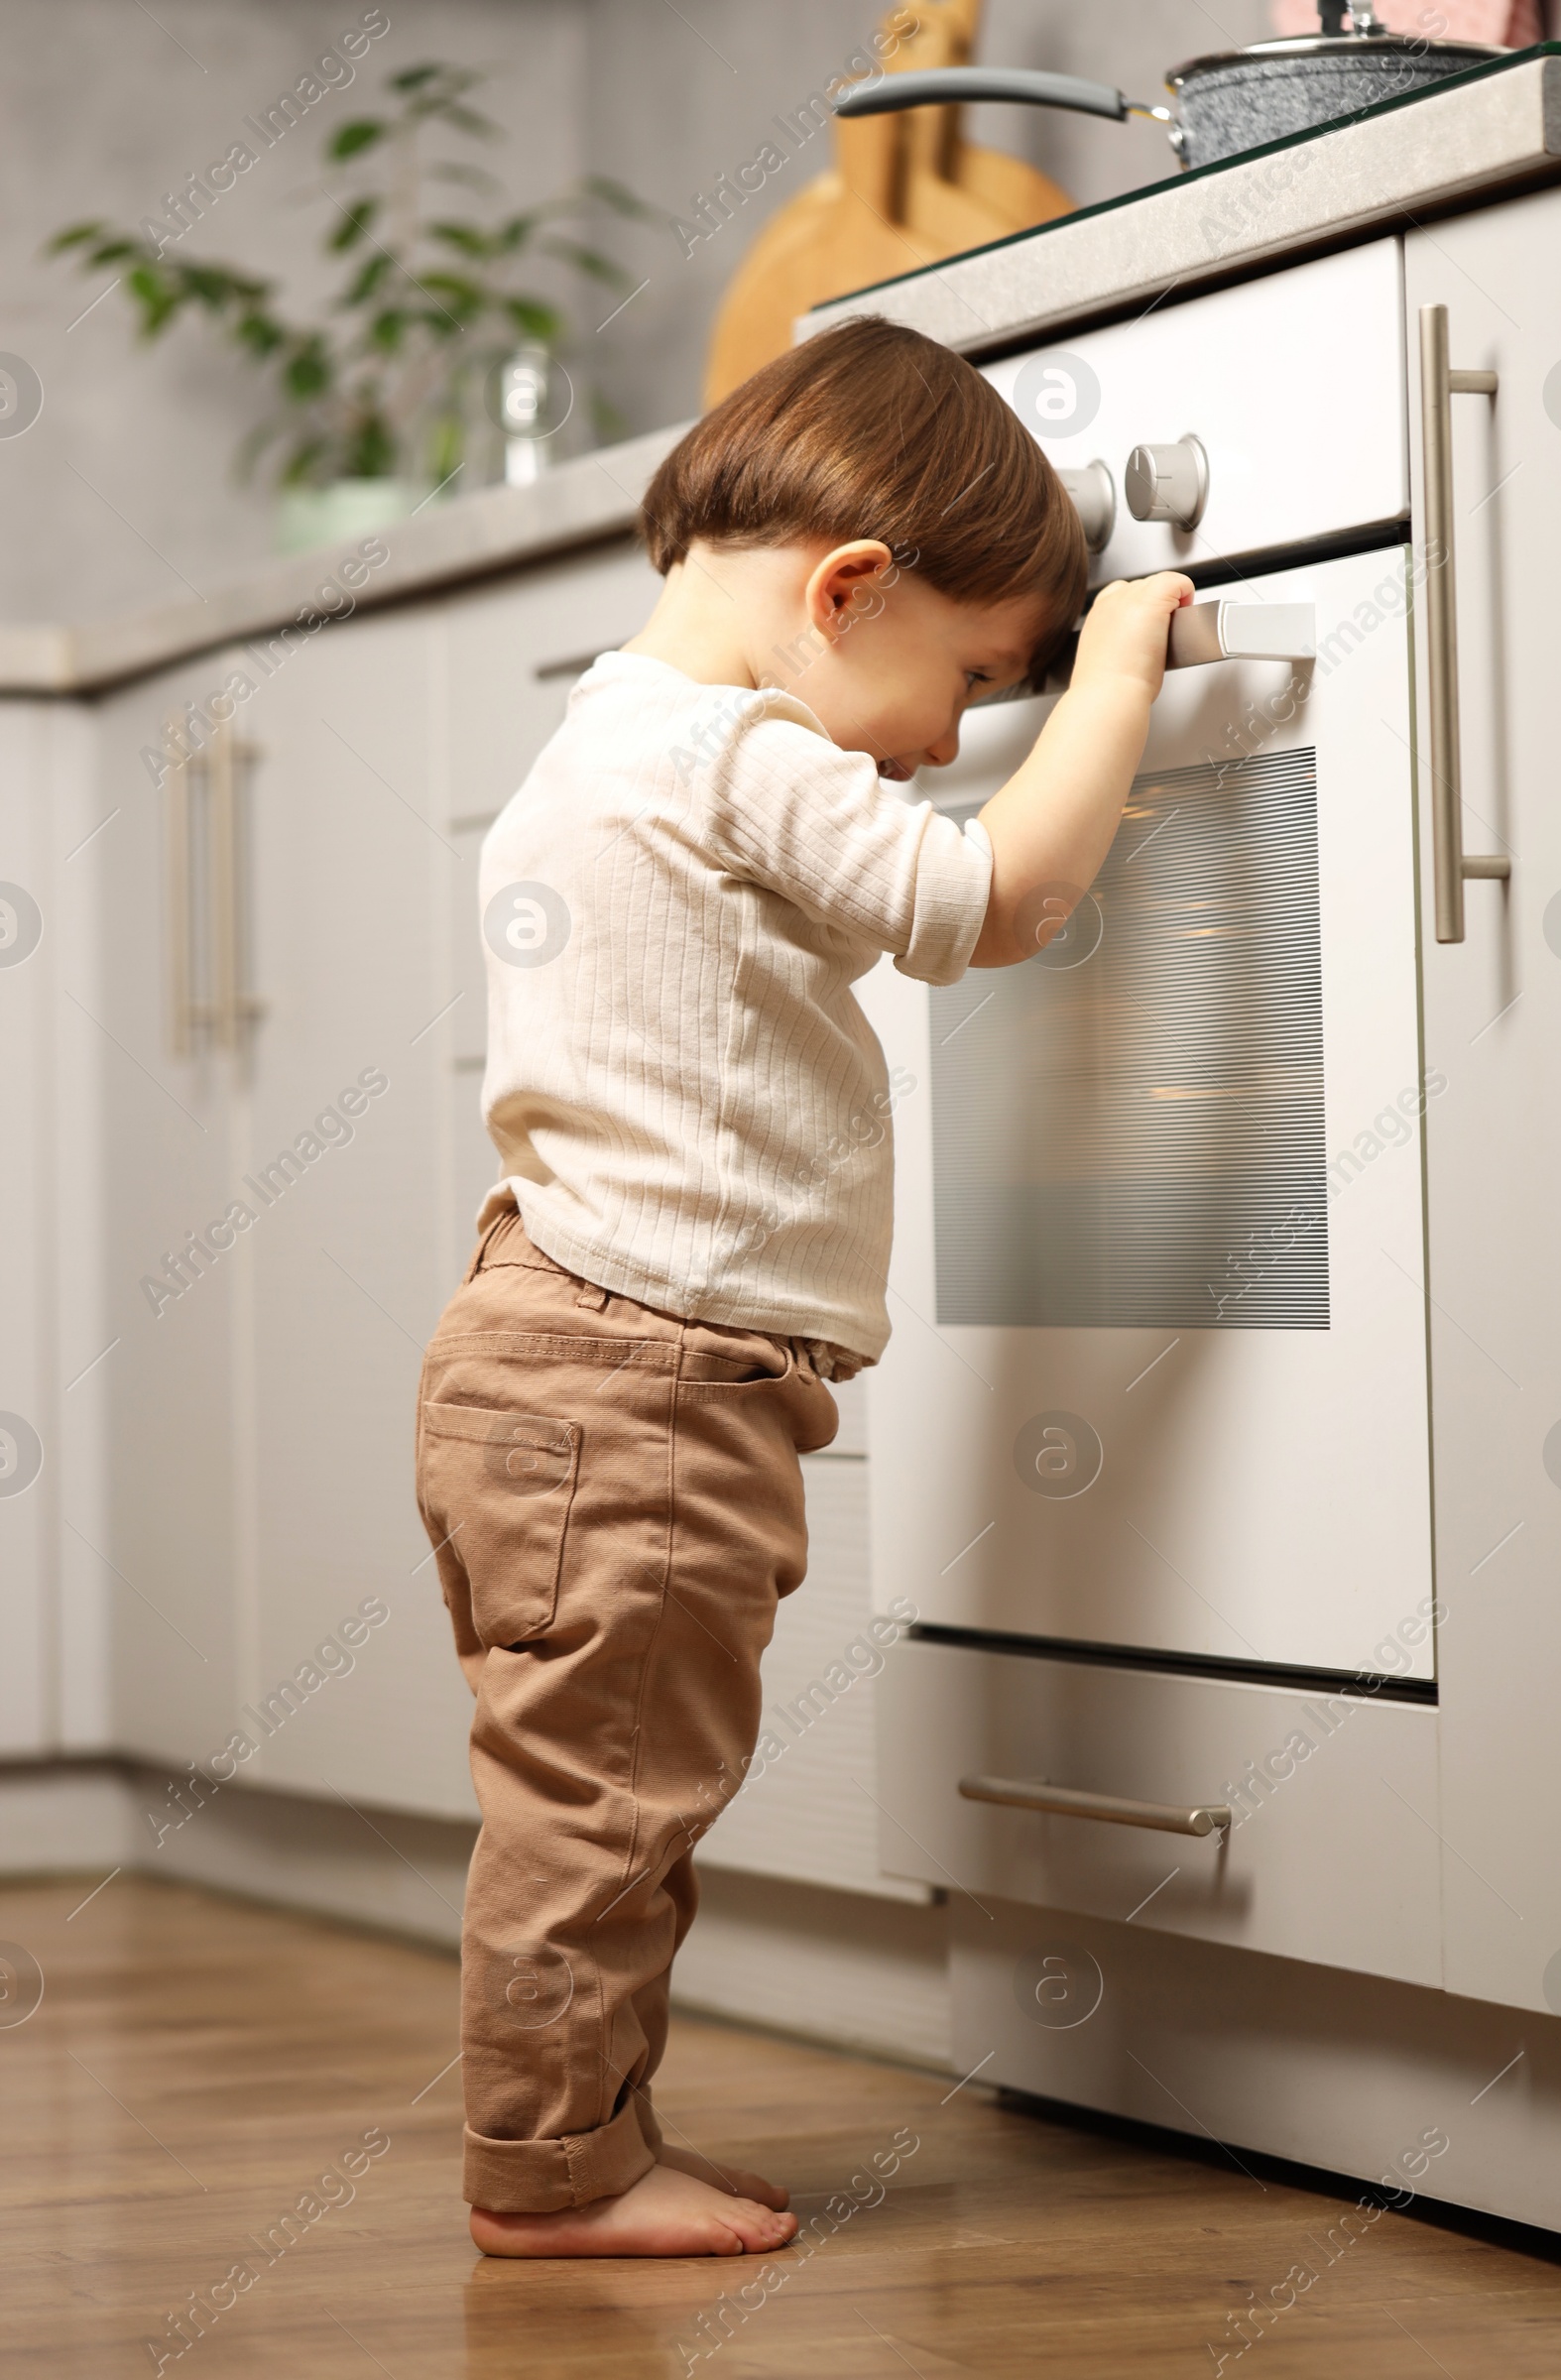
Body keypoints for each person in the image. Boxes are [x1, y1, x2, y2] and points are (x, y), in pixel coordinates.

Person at [414, 315, 1191, 2258]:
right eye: (969, 680)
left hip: (569, 1351)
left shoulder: (606, 733)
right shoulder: (737, 746)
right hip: (638, 1380)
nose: (948, 745)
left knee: (599, 1792)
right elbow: (985, 903)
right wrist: (1112, 667)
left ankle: (590, 2135)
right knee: (601, 1809)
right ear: (845, 592)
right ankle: (550, 2174)